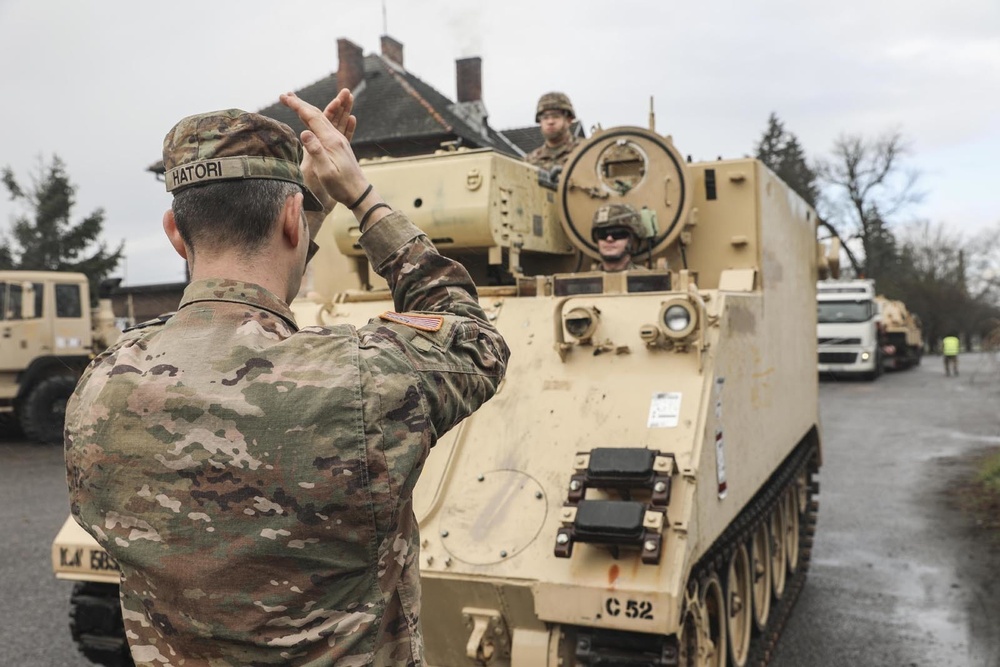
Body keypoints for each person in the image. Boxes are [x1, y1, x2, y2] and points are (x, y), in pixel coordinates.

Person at [64, 89, 509, 667]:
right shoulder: (363, 379)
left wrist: (306, 206)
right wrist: (361, 197)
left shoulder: (101, 384)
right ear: (295, 222)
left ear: (176, 232)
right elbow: (472, 337)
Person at [524, 91, 580, 171]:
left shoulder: (585, 152)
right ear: (540, 122)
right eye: (545, 118)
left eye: (556, 116)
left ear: (569, 120)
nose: (550, 122)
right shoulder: (530, 161)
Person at [590, 203, 649, 272]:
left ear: (633, 241)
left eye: (617, 233)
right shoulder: (584, 281)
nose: (609, 239)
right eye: (602, 234)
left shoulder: (649, 280)